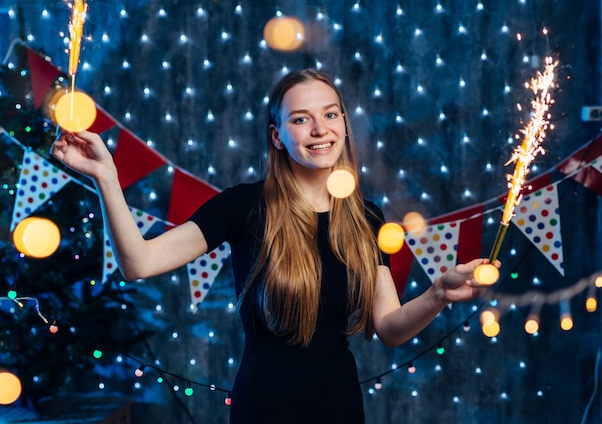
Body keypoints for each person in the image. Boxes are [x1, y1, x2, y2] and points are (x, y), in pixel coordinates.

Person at [51, 68, 498, 424]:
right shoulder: (244, 205)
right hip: (264, 408)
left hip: (341, 409)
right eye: (300, 118)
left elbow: (389, 327)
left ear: (344, 123)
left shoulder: (367, 216)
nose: (319, 129)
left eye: (330, 114)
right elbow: (140, 263)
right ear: (277, 135)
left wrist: (438, 293)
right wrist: (107, 178)